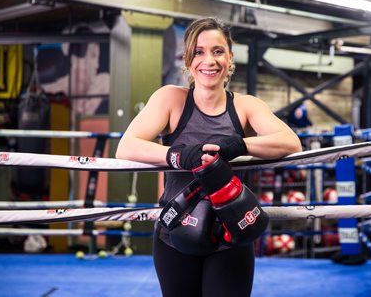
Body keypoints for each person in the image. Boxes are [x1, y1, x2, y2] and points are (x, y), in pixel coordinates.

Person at [116, 17, 302, 297]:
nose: (209, 61)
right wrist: (177, 156)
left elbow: (292, 143)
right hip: (175, 234)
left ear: (230, 57)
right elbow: (126, 147)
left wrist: (241, 145)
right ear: (188, 59)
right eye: (199, 52)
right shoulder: (171, 99)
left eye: (217, 51)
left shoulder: (245, 106)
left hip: (231, 236)